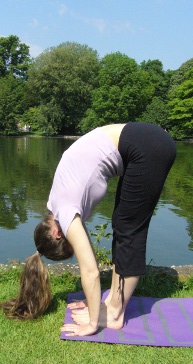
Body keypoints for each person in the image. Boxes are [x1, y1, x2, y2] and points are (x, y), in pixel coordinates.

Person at [0, 122, 176, 336]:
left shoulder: (64, 211)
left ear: (57, 233)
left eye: (70, 244)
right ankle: (112, 302)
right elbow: (89, 258)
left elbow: (90, 271)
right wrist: (94, 302)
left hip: (147, 146)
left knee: (130, 230)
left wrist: (93, 323)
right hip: (143, 142)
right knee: (122, 224)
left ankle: (113, 314)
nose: (77, 241)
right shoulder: (55, 203)